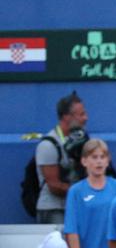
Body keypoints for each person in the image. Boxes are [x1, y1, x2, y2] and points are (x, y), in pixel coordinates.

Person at [63, 139, 116, 248]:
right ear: (84, 161)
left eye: (102, 157)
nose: (99, 161)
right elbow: (71, 230)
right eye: (94, 157)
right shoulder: (76, 191)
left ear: (108, 161)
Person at [32, 92, 89, 225]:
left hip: (75, 207)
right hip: (54, 210)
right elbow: (54, 186)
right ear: (66, 117)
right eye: (81, 114)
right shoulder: (48, 145)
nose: (86, 118)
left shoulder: (81, 140)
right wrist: (86, 192)